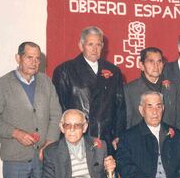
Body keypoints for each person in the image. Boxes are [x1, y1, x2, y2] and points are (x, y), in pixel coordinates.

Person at [0, 42, 62, 178]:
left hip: (43, 157)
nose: (34, 62)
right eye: (29, 57)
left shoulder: (46, 82)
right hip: (14, 158)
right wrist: (15, 133)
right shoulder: (2, 84)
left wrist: (49, 142)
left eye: (37, 58)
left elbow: (56, 115)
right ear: (18, 58)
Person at [52, 26, 126, 155]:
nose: (94, 49)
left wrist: (118, 134)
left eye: (98, 44)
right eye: (90, 44)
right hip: (77, 136)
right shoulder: (65, 70)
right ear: (81, 46)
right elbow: (59, 109)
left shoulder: (113, 71)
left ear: (103, 46)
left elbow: (120, 107)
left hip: (105, 137)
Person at [116, 91, 180, 178]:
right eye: (150, 107)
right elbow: (124, 165)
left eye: (158, 106)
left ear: (163, 109)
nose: (155, 112)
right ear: (141, 110)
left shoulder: (177, 135)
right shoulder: (128, 137)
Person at [41, 109, 116, 178]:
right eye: (67, 125)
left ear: (84, 128)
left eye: (77, 125)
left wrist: (110, 172)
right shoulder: (51, 152)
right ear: (61, 127)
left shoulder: (99, 146)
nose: (72, 130)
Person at [125, 47, 180, 130]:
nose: (156, 66)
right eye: (151, 62)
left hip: (168, 139)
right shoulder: (129, 90)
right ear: (141, 65)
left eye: (159, 62)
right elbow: (127, 122)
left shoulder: (173, 88)